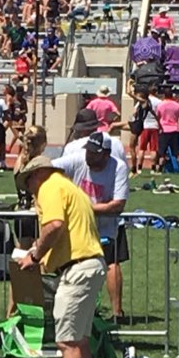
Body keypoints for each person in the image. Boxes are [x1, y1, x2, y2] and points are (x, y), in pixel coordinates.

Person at [16, 156, 106, 358]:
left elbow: (54, 225)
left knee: (68, 341)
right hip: (88, 265)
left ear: (38, 175)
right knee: (80, 341)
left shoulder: (50, 188)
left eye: (28, 182)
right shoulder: (69, 187)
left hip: (78, 269)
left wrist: (34, 253)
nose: (30, 190)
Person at [52, 131, 129, 323]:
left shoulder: (118, 168)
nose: (89, 155)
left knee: (110, 264)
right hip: (78, 227)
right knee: (72, 266)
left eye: (94, 153)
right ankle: (76, 310)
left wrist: (84, 208)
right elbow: (49, 168)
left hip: (105, 228)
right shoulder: (78, 159)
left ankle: (117, 313)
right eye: (88, 151)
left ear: (106, 154)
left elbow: (118, 204)